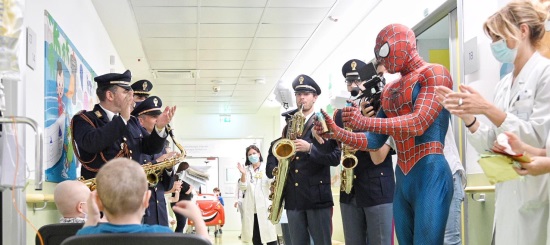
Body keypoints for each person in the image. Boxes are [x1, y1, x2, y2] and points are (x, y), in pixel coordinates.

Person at [315, 24, 454, 244]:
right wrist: (336, 132)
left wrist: (365, 121)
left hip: (430, 168)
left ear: (404, 43)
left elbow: (419, 122)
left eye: (384, 50)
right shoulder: (390, 90)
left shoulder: (434, 73)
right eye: (377, 52)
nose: (381, 58)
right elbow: (372, 140)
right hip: (404, 174)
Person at [435, 2, 550, 244]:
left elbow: (538, 138)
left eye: (499, 36)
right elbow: (495, 144)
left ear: (523, 31)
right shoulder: (503, 84)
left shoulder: (545, 73)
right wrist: (469, 118)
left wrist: (487, 108)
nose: (494, 44)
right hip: (507, 196)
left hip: (537, 195)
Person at [267, 74, 341, 245]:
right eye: (298, 94)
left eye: (306, 94)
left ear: (315, 98)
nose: (301, 98)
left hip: (317, 198)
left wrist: (310, 149)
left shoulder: (325, 123)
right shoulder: (288, 127)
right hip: (294, 199)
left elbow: (335, 158)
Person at [70, 70, 176, 179]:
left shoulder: (132, 121)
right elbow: (92, 144)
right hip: (101, 190)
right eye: (126, 92)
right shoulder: (84, 119)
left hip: (129, 188)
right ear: (110, 95)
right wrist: (123, 119)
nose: (131, 96)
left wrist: (159, 127)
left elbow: (150, 148)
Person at [76, 158, 208, 240]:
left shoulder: (85, 236)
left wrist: (93, 217)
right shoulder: (163, 234)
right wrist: (197, 219)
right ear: (146, 200)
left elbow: (83, 235)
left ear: (97, 201)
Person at [337, 59, 395, 245]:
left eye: (358, 81)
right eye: (350, 82)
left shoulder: (382, 107)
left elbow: (378, 157)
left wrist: (363, 126)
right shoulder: (343, 113)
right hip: (349, 190)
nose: (354, 86)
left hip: (377, 190)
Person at [131, 95, 180, 227]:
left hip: (160, 214)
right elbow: (132, 178)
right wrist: (157, 163)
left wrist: (169, 168)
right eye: (154, 117)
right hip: (142, 213)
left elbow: (167, 187)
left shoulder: (161, 147)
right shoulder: (134, 146)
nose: (159, 120)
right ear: (141, 121)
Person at [236, 145, 278, 245]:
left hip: (265, 208)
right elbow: (243, 187)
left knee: (270, 238)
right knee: (256, 239)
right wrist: (243, 174)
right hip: (252, 209)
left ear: (259, 154)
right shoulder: (246, 170)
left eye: (254, 153)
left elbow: (271, 182)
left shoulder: (267, 167)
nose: (252, 156)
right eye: (249, 155)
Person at [168, 162, 194, 233]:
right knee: (181, 224)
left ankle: (178, 239)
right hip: (180, 204)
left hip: (178, 203)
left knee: (181, 224)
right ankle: (177, 240)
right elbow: (187, 191)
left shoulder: (176, 177)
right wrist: (192, 187)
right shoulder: (181, 178)